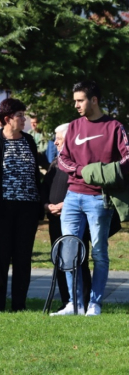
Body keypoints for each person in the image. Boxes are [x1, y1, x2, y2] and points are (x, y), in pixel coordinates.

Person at [52, 80, 129, 316]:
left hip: (99, 199)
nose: (77, 105)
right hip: (72, 197)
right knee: (69, 251)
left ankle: (95, 304)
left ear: (94, 100)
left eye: (80, 100)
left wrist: (103, 173)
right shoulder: (73, 127)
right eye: (75, 101)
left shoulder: (114, 127)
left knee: (99, 252)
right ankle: (74, 303)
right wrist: (83, 171)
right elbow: (62, 159)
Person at [41, 123, 92, 310]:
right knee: (60, 260)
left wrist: (67, 205)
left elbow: (84, 189)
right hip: (54, 218)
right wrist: (46, 204)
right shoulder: (56, 162)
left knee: (77, 259)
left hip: (74, 217)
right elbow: (45, 186)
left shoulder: (80, 163)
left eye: (59, 139)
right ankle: (66, 301)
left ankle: (82, 301)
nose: (54, 142)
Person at [0, 98, 43, 312]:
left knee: (22, 257)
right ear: (7, 119)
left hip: (28, 208)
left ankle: (19, 305)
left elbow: (37, 170)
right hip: (3, 209)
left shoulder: (28, 140)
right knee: (2, 256)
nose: (24, 119)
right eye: (20, 116)